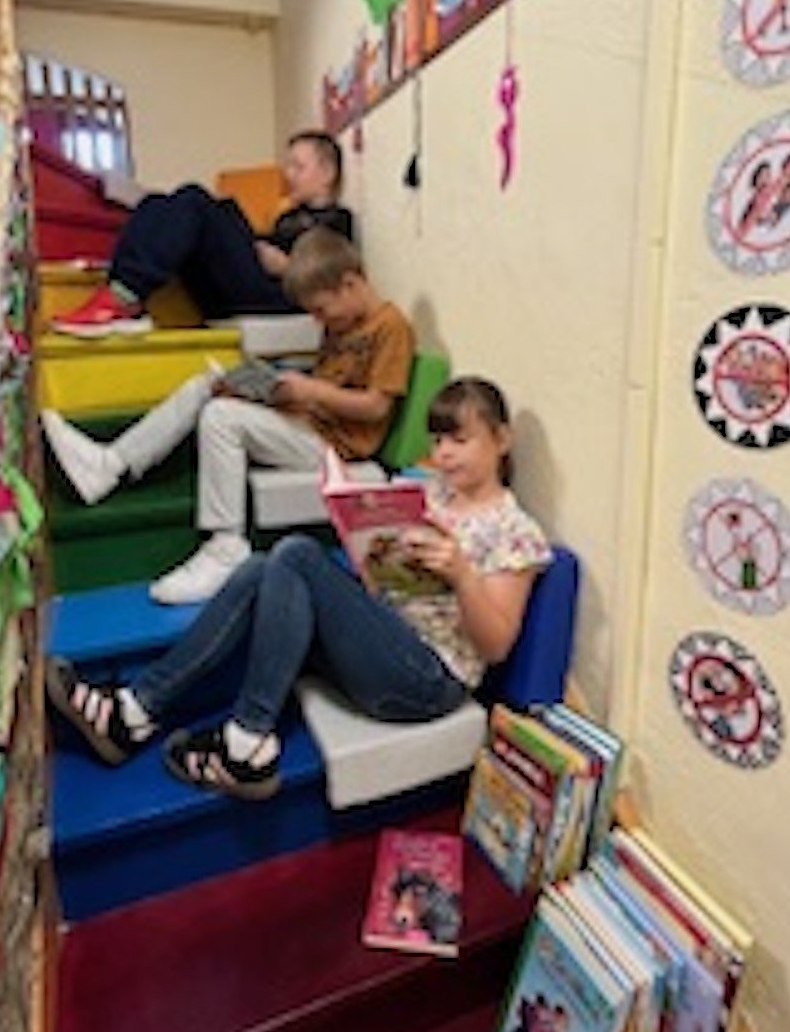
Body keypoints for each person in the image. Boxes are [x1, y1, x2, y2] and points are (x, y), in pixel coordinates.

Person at [44, 377, 552, 802]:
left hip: (429, 679)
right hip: (383, 640)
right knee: (260, 568)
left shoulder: (514, 531)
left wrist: (463, 574)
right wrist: (370, 551)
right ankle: (135, 710)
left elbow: (495, 646)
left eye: (459, 440)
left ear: (501, 440)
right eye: (438, 441)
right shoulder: (428, 492)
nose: (443, 454)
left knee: (297, 554)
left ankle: (246, 740)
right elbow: (385, 586)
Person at [42, 227, 415, 603]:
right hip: (309, 423)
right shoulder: (341, 324)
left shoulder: (390, 326)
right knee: (207, 385)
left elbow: (376, 406)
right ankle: (111, 464)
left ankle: (226, 547)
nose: (319, 321)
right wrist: (277, 393)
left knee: (222, 418)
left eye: (320, 310)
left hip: (336, 448)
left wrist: (311, 390)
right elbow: (327, 391)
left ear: (349, 284)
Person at [50, 130, 355, 335]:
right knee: (158, 203)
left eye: (298, 167)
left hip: (278, 296)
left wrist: (286, 267)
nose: (288, 176)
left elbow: (331, 280)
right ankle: (123, 290)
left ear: (327, 173)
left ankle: (123, 296)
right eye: (288, 167)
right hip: (248, 285)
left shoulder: (337, 220)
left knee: (194, 198)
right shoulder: (288, 217)